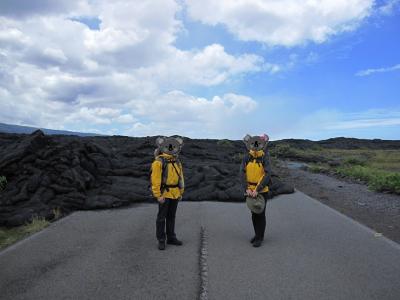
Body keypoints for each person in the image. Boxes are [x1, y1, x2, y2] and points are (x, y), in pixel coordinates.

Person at [150, 136, 185, 250]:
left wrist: (180, 192)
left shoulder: (176, 161)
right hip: (164, 193)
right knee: (161, 218)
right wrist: (158, 195)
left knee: (171, 216)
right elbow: (155, 180)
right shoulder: (158, 162)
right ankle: (161, 239)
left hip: (174, 193)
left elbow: (180, 178)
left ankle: (171, 237)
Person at [240, 134, 272, 247]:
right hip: (250, 191)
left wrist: (257, 189)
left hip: (261, 191)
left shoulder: (264, 157)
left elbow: (267, 174)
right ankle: (256, 234)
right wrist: (247, 188)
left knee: (260, 213)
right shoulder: (246, 157)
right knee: (254, 213)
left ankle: (260, 237)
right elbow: (242, 173)